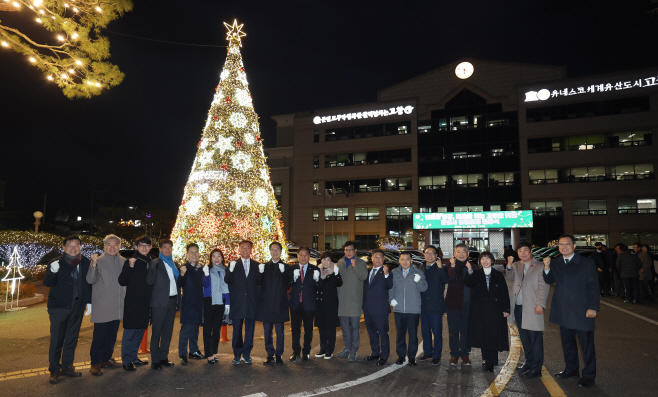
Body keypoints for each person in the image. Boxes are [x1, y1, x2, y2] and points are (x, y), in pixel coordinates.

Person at [543, 234, 600, 388]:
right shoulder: (556, 262)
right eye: (561, 244)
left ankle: (589, 376)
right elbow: (549, 280)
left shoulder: (586, 262)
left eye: (567, 244)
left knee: (586, 345)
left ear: (574, 246)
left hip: (582, 310)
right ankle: (571, 369)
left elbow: (594, 286)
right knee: (567, 344)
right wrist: (547, 268)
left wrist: (593, 307)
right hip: (563, 310)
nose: (564, 247)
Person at [44, 236, 93, 384]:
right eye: (70, 246)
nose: (73, 248)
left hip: (77, 307)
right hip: (59, 307)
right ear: (64, 248)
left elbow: (87, 283)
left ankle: (67, 366)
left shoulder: (84, 262)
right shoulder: (56, 262)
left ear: (80, 247)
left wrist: (89, 302)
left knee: (71, 338)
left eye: (76, 245)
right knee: (57, 339)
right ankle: (54, 369)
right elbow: (47, 283)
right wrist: (53, 271)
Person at [505, 242, 548, 378]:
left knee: (535, 338)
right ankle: (529, 362)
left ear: (531, 251)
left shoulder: (540, 266)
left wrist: (540, 304)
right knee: (524, 337)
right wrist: (509, 265)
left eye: (525, 250)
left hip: (532, 306)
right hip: (518, 306)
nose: (522, 253)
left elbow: (544, 286)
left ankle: (536, 368)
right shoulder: (517, 265)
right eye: (520, 251)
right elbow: (509, 277)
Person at [463, 251, 510, 372]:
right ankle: (485, 359)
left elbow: (504, 293)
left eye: (487, 258)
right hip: (479, 310)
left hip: (495, 309)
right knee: (483, 335)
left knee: (493, 335)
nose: (484, 261)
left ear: (492, 261)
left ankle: (492, 362)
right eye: (482, 259)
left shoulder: (498, 275)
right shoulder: (476, 274)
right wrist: (469, 270)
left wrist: (506, 309)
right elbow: (468, 283)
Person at [86, 234, 126, 376]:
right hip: (102, 305)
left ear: (120, 246)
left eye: (115, 244)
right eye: (109, 244)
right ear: (104, 246)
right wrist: (93, 264)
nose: (112, 247)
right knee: (99, 336)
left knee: (111, 335)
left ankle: (106, 359)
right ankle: (95, 363)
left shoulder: (123, 261)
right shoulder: (98, 261)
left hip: (118, 305)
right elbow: (90, 280)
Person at [118, 236, 153, 372]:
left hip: (146, 302)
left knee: (140, 331)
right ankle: (126, 361)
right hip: (133, 302)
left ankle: (133, 357)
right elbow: (122, 281)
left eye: (147, 245)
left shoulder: (151, 261)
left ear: (150, 247)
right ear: (136, 247)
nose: (144, 248)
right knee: (130, 332)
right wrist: (130, 267)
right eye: (141, 245)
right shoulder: (131, 261)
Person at [224, 240, 261, 365]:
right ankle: (237, 354)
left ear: (251, 249)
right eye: (243, 247)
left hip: (251, 303)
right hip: (237, 303)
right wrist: (230, 270)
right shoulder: (233, 264)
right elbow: (227, 281)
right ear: (239, 249)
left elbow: (259, 285)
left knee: (250, 330)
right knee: (237, 331)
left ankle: (247, 354)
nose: (245, 250)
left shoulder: (257, 265)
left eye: (248, 247)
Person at [389, 251, 428, 366]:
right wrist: (391, 299)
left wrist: (419, 281)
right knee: (400, 334)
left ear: (411, 261)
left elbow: (424, 288)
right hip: (399, 309)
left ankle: (411, 357)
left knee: (412, 334)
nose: (404, 262)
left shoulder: (418, 272)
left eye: (407, 259)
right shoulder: (394, 272)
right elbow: (391, 288)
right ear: (399, 260)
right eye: (402, 259)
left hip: (413, 309)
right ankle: (401, 356)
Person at [147, 238, 181, 370]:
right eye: (164, 247)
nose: (167, 250)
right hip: (159, 303)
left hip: (172, 301)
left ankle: (163, 358)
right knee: (156, 332)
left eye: (169, 247)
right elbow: (149, 281)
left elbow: (177, 284)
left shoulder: (175, 264)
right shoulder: (155, 263)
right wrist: (152, 269)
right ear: (160, 249)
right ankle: (155, 360)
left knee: (167, 332)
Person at [256, 242, 290, 365]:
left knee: (280, 332)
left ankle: (279, 354)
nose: (275, 252)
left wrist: (284, 272)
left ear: (280, 252)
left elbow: (289, 282)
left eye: (277, 250)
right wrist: (260, 272)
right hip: (267, 304)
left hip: (280, 304)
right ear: (270, 251)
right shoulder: (264, 266)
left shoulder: (286, 267)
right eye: (273, 249)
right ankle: (270, 354)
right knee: (267, 331)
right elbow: (258, 282)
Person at [446, 243, 478, 366]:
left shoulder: (474, 267)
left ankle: (465, 354)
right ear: (454, 254)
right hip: (453, 304)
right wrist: (453, 267)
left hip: (469, 305)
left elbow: (475, 283)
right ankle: (454, 354)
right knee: (453, 331)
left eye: (463, 251)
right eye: (458, 251)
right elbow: (449, 279)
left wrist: (470, 271)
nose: (461, 254)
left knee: (466, 331)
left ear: (468, 254)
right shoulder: (449, 265)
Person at [335, 241, 368, 362]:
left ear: (355, 251)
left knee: (354, 327)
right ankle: (347, 348)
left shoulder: (361, 263)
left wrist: (354, 266)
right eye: (346, 250)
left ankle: (354, 350)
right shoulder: (340, 262)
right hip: (342, 300)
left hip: (355, 301)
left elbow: (363, 276)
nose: (348, 252)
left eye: (351, 250)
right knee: (345, 327)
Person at [288, 246, 321, 362]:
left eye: (306, 254)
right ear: (297, 256)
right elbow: (288, 283)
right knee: (295, 329)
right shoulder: (292, 268)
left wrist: (317, 280)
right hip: (295, 304)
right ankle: (295, 352)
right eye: (301, 254)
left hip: (309, 304)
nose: (303, 257)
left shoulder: (315, 269)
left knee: (308, 329)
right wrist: (293, 278)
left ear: (309, 256)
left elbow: (319, 287)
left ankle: (306, 352)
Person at [419, 245, 449, 365]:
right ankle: (427, 352)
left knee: (437, 332)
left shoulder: (440, 267)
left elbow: (446, 280)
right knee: (425, 331)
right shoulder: (421, 267)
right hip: (422, 304)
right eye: (427, 253)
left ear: (436, 255)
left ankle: (437, 355)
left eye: (432, 253)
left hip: (436, 305)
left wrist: (441, 268)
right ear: (424, 255)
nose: (429, 255)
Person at [362, 249, 392, 366]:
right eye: (375, 257)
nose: (378, 259)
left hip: (380, 309)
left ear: (383, 259)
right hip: (368, 308)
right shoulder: (367, 271)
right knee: (372, 332)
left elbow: (389, 285)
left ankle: (384, 355)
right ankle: (375, 352)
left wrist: (386, 274)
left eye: (380, 257)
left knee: (383, 333)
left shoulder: (386, 272)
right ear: (371, 258)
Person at [177, 243, 205, 365]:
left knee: (195, 329)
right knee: (186, 330)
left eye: (196, 252)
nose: (194, 254)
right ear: (187, 254)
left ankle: (194, 351)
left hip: (199, 303)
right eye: (191, 252)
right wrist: (182, 275)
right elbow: (180, 284)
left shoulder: (201, 268)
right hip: (188, 303)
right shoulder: (184, 268)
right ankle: (183, 354)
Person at [202, 248, 230, 364]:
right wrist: (207, 275)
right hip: (209, 300)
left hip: (221, 301)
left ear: (222, 258)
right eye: (214, 256)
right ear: (211, 258)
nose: (216, 258)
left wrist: (227, 302)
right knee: (208, 328)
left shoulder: (226, 270)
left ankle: (214, 353)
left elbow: (227, 287)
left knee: (217, 329)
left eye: (219, 256)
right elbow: (205, 285)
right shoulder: (207, 269)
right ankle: (209, 355)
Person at [314, 250, 343, 360]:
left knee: (331, 328)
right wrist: (316, 279)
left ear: (331, 261)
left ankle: (329, 351)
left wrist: (336, 274)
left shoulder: (334, 270)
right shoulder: (318, 270)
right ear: (321, 260)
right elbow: (316, 286)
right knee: (322, 328)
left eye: (328, 259)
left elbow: (339, 283)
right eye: (324, 259)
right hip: (320, 303)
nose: (326, 262)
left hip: (331, 303)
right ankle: (323, 349)